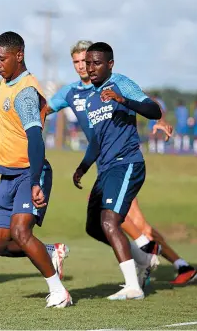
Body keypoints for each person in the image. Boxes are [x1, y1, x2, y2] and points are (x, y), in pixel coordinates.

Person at [48, 40, 197, 287]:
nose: (83, 66)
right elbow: (48, 109)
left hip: (123, 162)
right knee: (115, 223)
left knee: (131, 222)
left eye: (88, 60)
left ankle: (173, 265)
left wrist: (158, 119)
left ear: (103, 63)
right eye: (77, 62)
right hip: (103, 164)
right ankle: (157, 261)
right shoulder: (73, 93)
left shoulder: (116, 83)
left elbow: (145, 104)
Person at [0, 31, 72, 308]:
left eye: (2, 58)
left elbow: (35, 139)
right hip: (8, 174)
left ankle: (59, 291)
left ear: (19, 56)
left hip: (29, 173)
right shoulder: (6, 81)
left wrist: (35, 182)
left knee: (21, 232)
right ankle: (50, 252)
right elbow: (8, 129)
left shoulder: (24, 92)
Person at [72, 42, 164, 300]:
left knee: (110, 220)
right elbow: (97, 142)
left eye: (97, 63)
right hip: (106, 169)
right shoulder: (91, 100)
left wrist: (123, 100)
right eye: (88, 63)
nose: (91, 68)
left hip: (127, 163)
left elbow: (154, 110)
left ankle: (133, 287)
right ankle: (145, 257)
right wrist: (83, 167)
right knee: (94, 226)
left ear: (110, 64)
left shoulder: (121, 83)